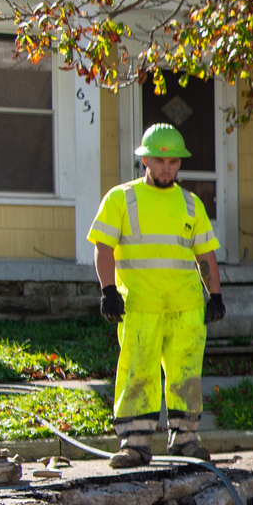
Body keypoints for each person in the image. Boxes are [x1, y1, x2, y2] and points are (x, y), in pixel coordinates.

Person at [89, 123, 225, 468]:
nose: (167, 168)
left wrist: (216, 295)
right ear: (145, 160)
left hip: (186, 308)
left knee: (186, 375)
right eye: (160, 161)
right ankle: (134, 445)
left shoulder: (191, 204)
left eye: (174, 162)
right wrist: (107, 290)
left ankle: (186, 440)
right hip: (140, 306)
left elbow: (205, 255)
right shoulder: (121, 198)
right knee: (138, 372)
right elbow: (103, 246)